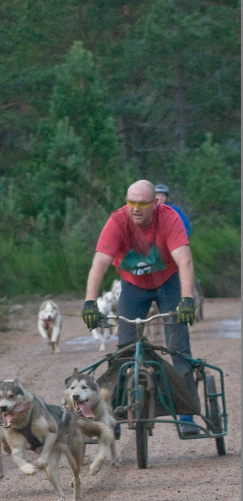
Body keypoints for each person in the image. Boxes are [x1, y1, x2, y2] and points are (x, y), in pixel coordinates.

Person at [81, 179, 198, 437]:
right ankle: (118, 413)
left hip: (168, 282)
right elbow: (99, 263)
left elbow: (185, 259)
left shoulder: (169, 218)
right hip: (133, 286)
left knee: (177, 347)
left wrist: (187, 299)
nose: (135, 209)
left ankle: (187, 413)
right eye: (130, 202)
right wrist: (90, 302)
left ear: (155, 203)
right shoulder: (117, 221)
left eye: (142, 203)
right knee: (124, 351)